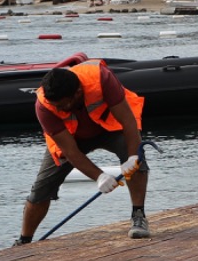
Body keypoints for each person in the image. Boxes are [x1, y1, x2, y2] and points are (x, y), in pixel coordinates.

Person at [17, 60, 151, 242]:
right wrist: (100, 177)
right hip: (72, 138)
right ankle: (24, 240)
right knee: (41, 188)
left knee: (136, 160)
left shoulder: (102, 78)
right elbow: (71, 152)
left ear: (77, 94)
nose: (58, 109)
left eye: (62, 105)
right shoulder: (44, 106)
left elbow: (128, 121)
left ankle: (138, 216)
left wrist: (133, 156)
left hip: (109, 128)